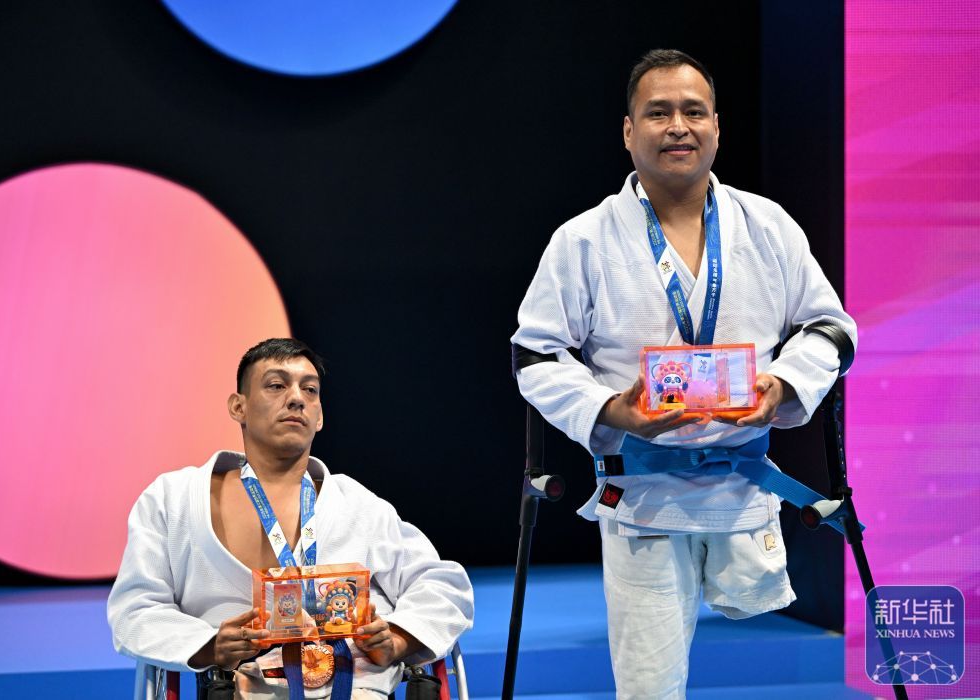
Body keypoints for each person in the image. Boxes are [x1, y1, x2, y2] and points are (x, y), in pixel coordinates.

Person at [510, 49, 856, 699]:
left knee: (763, 673)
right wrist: (612, 410)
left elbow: (831, 327)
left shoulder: (768, 226)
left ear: (717, 127)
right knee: (648, 687)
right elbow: (535, 354)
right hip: (642, 497)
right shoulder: (583, 240)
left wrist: (782, 387)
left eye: (694, 111)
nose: (678, 126)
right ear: (628, 130)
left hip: (744, 487)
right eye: (658, 112)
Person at [108, 338, 474, 699]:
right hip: (240, 688)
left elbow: (443, 586)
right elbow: (134, 610)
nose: (297, 398)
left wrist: (397, 639)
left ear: (320, 417)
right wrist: (210, 645)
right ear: (238, 406)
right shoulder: (173, 499)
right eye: (276, 385)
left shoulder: (358, 505)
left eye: (310, 390)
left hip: (357, 686)